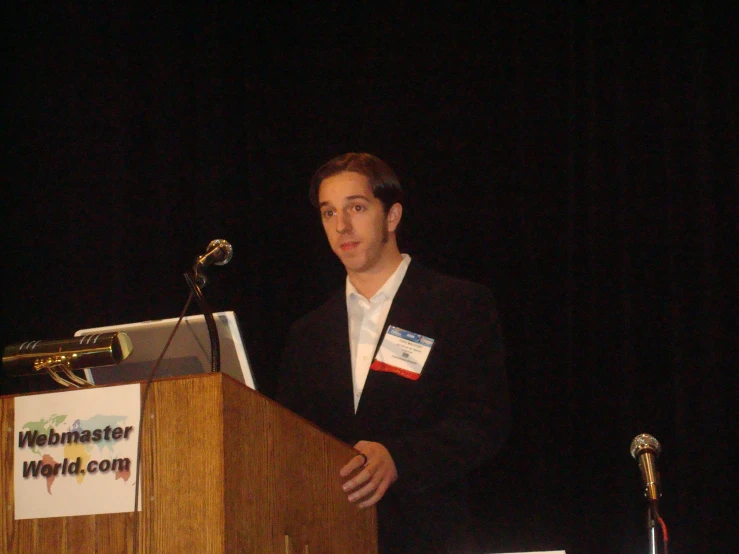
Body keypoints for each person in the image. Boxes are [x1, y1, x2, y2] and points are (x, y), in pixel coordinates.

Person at [276, 152, 509, 554]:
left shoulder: (456, 304)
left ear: (392, 216)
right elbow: (289, 439)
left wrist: (398, 457)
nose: (342, 226)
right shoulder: (308, 332)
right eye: (329, 213)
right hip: (330, 536)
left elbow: (483, 421)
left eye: (357, 207)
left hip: (428, 534)